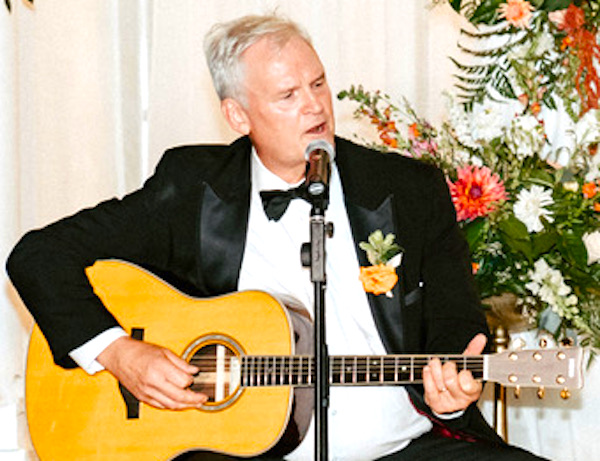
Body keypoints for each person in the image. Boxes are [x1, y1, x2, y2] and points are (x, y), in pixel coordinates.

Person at [7, 13, 547, 461]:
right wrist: (121, 353)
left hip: (403, 449)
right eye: (287, 95)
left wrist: (452, 390)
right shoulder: (194, 190)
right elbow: (38, 256)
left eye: (318, 84)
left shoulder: (406, 189)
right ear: (237, 115)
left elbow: (456, 321)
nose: (314, 106)